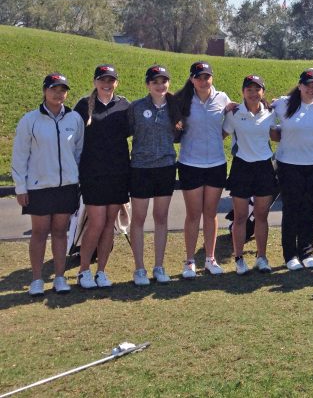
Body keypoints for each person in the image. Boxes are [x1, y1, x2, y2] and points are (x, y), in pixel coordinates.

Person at [12, 73, 84, 295]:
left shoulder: (75, 119)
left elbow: (79, 152)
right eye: (53, 89)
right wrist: (20, 187)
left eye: (62, 89)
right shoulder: (29, 120)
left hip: (67, 186)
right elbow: (20, 156)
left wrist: (77, 178)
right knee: (39, 232)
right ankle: (36, 280)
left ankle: (60, 278)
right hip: (39, 186)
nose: (58, 93)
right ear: (45, 91)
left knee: (61, 232)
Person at [74, 64, 131, 289]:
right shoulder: (82, 106)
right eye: (102, 80)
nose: (107, 84)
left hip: (118, 173)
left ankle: (102, 272)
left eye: (111, 80)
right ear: (95, 81)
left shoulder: (124, 105)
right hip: (93, 174)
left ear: (116, 82)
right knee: (96, 223)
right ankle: (83, 271)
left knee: (110, 225)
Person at [272, 70, 313, 270]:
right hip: (288, 165)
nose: (311, 88)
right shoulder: (283, 103)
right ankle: (290, 255)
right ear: (299, 86)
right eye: (307, 84)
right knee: (291, 210)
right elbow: (263, 115)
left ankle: (306, 253)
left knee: (309, 209)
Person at [175, 61, 232, 278]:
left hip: (216, 163)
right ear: (192, 79)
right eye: (198, 77)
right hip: (190, 163)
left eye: (206, 76)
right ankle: (189, 261)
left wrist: (216, 139)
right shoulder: (183, 100)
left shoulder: (222, 98)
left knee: (210, 213)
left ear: (212, 78)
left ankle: (210, 259)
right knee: (193, 214)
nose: (203, 80)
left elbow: (226, 127)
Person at [127, 65, 181, 285]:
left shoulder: (175, 106)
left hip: (166, 167)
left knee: (161, 218)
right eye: (155, 82)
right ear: (147, 85)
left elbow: (179, 133)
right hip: (140, 168)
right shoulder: (136, 107)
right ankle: (139, 269)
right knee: (138, 219)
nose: (160, 86)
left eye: (163, 81)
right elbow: (127, 132)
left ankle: (159, 266)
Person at [223, 75, 277, 275]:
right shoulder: (234, 113)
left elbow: (276, 133)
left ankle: (261, 258)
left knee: (261, 216)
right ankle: (239, 258)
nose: (253, 93)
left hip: (264, 167)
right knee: (240, 217)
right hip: (241, 167)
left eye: (257, 89)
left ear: (263, 91)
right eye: (249, 89)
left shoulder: (271, 112)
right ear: (243, 92)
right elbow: (222, 134)